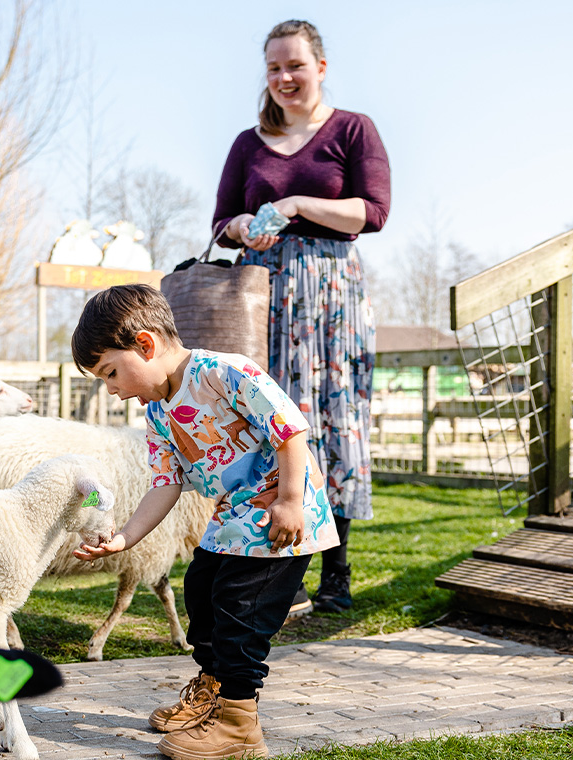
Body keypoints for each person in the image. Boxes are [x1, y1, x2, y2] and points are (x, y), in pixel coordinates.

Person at [70, 283, 339, 760]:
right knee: (200, 591)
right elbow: (165, 483)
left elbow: (289, 428)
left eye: (110, 372)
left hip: (279, 514)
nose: (111, 388)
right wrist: (125, 537)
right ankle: (213, 694)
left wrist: (291, 500)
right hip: (233, 514)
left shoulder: (224, 372)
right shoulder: (158, 412)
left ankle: (239, 725)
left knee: (239, 611)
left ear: (145, 345)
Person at [212, 19, 391, 615]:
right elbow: (221, 223)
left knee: (336, 419)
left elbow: (374, 212)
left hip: (332, 293)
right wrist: (243, 227)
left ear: (320, 67)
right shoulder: (248, 143)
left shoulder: (353, 129)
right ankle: (279, 563)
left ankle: (336, 569)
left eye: (295, 65)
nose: (284, 77)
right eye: (274, 68)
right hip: (263, 297)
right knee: (275, 418)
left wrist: (295, 204)